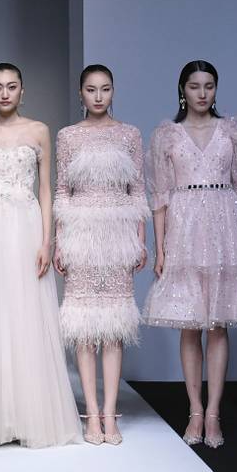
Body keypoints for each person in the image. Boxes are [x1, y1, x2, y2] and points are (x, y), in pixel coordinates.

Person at [141, 60, 237, 449]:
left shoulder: (231, 132)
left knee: (218, 324)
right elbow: (160, 197)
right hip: (184, 231)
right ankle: (194, 410)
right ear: (183, 90)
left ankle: (213, 414)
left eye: (209, 85)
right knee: (190, 324)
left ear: (216, 89)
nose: (202, 93)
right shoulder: (167, 135)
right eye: (195, 86)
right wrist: (160, 249)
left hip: (224, 232)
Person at [0, 63, 81, 449]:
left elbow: (45, 190)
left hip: (27, 228)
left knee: (28, 315)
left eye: (11, 86)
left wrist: (47, 241)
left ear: (22, 91)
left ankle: (31, 417)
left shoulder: (38, 130)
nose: (5, 93)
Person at [54, 65, 148, 446]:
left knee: (114, 324)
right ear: (81, 93)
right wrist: (59, 241)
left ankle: (110, 414)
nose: (98, 96)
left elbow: (137, 190)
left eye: (105, 89)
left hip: (118, 236)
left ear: (113, 92)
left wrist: (140, 240)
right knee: (83, 325)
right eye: (91, 89)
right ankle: (91, 414)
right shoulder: (68, 136)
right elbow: (62, 190)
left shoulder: (130, 134)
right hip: (80, 235)